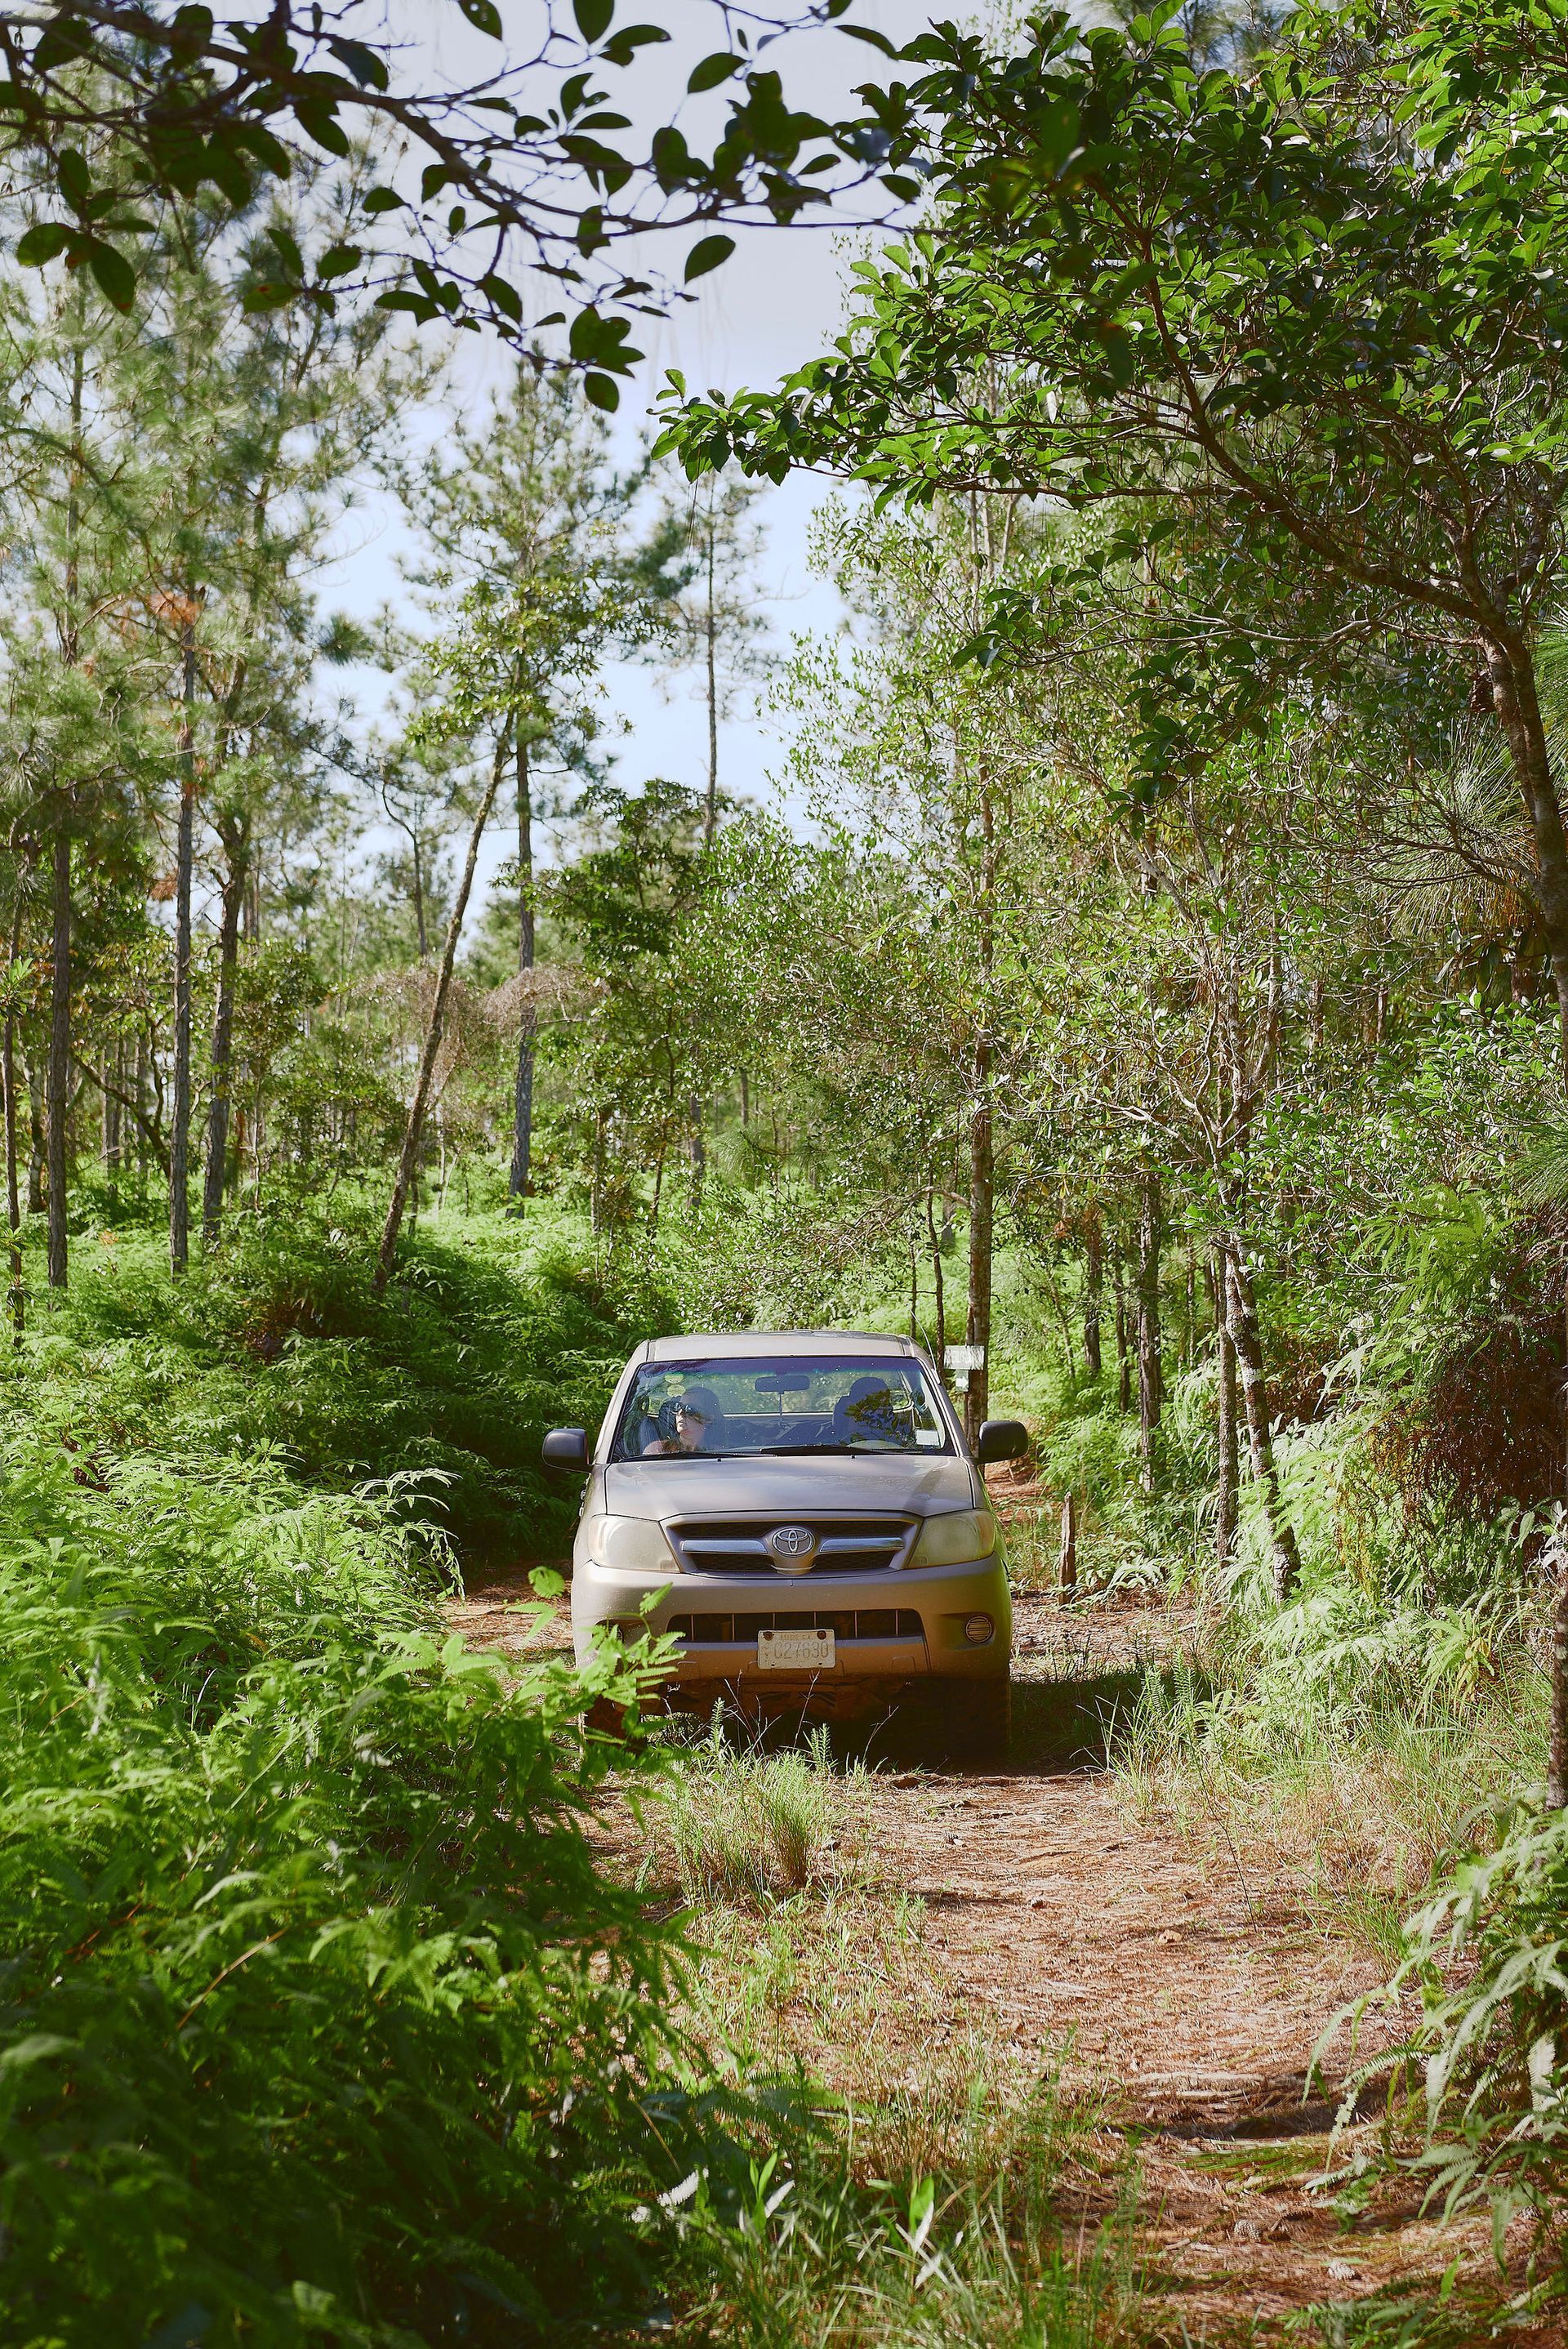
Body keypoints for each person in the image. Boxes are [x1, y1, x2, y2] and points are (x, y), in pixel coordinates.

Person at [643, 1385, 726, 1454]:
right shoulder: (657, 1450)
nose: (681, 1412)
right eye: (679, 1406)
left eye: (689, 1408)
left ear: (709, 1418)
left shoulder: (720, 1454)